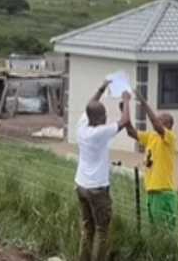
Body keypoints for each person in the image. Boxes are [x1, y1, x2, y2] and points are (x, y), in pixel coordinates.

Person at [75, 80, 132, 261]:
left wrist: (101, 88)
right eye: (105, 114)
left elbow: (89, 106)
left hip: (81, 185)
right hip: (97, 188)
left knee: (87, 228)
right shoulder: (100, 133)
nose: (107, 117)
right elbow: (125, 121)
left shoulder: (82, 126)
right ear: (100, 118)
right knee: (102, 231)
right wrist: (126, 101)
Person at [126, 89, 178, 228]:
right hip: (151, 191)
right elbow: (131, 132)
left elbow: (156, 124)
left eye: (160, 120)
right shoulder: (151, 136)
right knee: (154, 230)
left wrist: (143, 102)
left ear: (168, 125)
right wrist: (125, 109)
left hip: (163, 192)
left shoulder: (170, 138)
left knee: (164, 231)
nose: (156, 122)